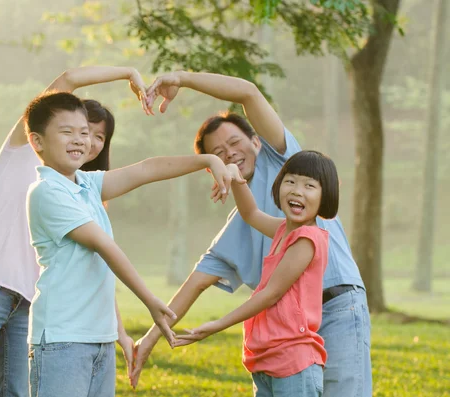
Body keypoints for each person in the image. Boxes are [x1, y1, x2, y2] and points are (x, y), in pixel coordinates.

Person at [132, 71, 372, 397]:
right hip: (289, 336)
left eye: (234, 143)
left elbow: (247, 92)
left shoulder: (288, 165)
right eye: (218, 153)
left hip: (338, 307)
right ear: (210, 168)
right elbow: (195, 283)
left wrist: (181, 79)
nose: (229, 153)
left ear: (256, 142)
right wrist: (148, 341)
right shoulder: (243, 223)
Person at [0, 66, 151, 397]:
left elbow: (93, 268)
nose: (86, 140)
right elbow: (67, 79)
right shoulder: (27, 145)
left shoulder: (83, 187)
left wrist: (120, 331)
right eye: (80, 130)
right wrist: (128, 72)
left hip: (29, 299)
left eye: (98, 136)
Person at [24, 90, 231, 397]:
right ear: (37, 142)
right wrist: (150, 301)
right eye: (66, 132)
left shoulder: (87, 185)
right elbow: (104, 246)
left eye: (84, 132)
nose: (79, 140)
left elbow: (146, 169)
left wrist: (208, 159)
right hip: (61, 340)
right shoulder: (46, 193)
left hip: (99, 338)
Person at [175, 151, 339, 397]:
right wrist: (236, 177)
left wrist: (217, 325)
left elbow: (271, 294)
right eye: (290, 181)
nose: (297, 191)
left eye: (309, 186)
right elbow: (250, 214)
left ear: (325, 196)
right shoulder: (284, 230)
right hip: (267, 359)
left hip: (294, 361)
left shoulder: (308, 239)